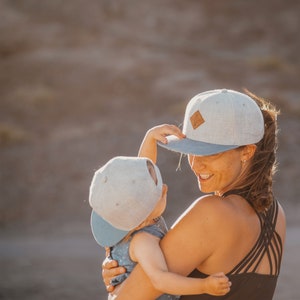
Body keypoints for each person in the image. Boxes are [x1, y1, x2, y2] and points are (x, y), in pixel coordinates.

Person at [102, 88, 286, 300]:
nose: (196, 164)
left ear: (247, 151)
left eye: (211, 152)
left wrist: (118, 277)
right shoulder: (275, 213)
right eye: (192, 150)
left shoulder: (211, 213)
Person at [89, 156, 231, 299]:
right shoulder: (143, 241)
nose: (164, 187)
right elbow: (160, 281)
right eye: (158, 190)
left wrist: (151, 138)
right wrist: (204, 285)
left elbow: (139, 175)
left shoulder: (128, 220)